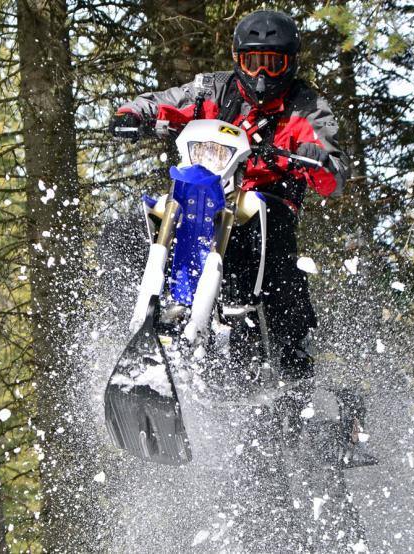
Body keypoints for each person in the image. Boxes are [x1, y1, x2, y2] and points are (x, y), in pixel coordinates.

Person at [109, 10, 349, 381]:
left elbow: (332, 171)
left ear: (290, 63)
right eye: (252, 63)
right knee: (129, 227)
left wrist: (315, 158)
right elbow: (169, 102)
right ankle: (139, 321)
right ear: (238, 60)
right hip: (207, 193)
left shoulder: (307, 106)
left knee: (270, 238)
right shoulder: (212, 90)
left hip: (265, 204)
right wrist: (135, 114)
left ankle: (283, 355)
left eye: (273, 64)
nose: (261, 75)